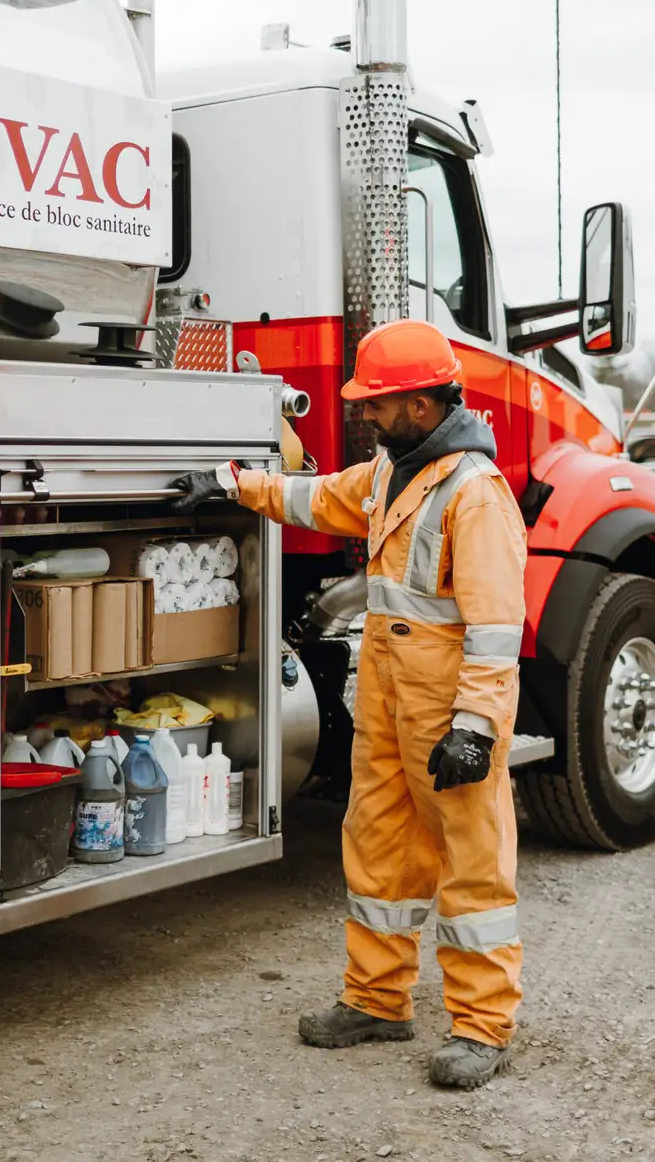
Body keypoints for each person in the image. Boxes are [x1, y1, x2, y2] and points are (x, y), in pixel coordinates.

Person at [171, 319, 527, 1090]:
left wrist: (473, 730)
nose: (365, 412)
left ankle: (482, 1025)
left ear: (424, 406)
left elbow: (497, 631)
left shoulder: (476, 493)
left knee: (472, 867)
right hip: (388, 705)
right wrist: (236, 485)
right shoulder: (389, 473)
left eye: (379, 403)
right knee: (377, 852)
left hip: (447, 720)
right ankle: (376, 1001)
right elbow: (313, 496)